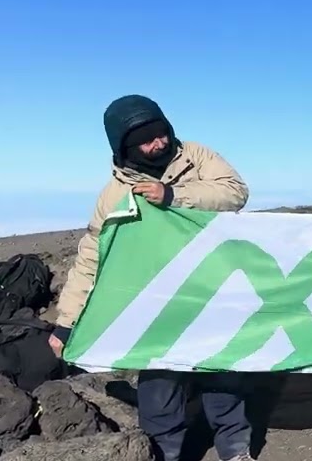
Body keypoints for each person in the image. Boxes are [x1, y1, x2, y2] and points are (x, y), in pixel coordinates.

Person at [51, 94, 252, 461]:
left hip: (214, 291)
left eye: (162, 133)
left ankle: (235, 450)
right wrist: (66, 323)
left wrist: (174, 195)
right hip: (158, 302)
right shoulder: (114, 194)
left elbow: (235, 192)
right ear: (125, 147)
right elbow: (93, 256)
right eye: (146, 140)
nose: (159, 143)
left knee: (223, 376)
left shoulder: (196, 156)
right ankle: (163, 453)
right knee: (160, 388)